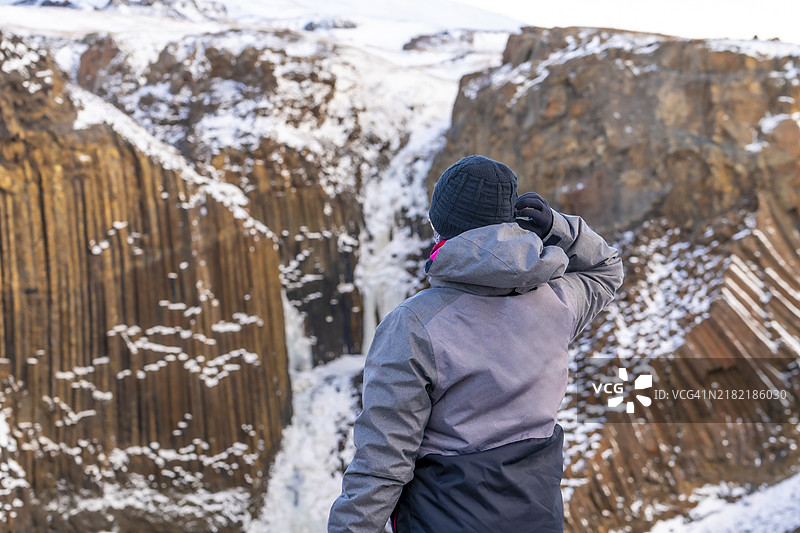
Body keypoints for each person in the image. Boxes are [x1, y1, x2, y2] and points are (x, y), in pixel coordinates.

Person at [328, 155, 624, 532]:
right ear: (511, 223)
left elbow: (381, 466)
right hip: (538, 520)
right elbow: (607, 268)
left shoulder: (414, 325)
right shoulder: (558, 303)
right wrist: (557, 227)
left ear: (440, 227)